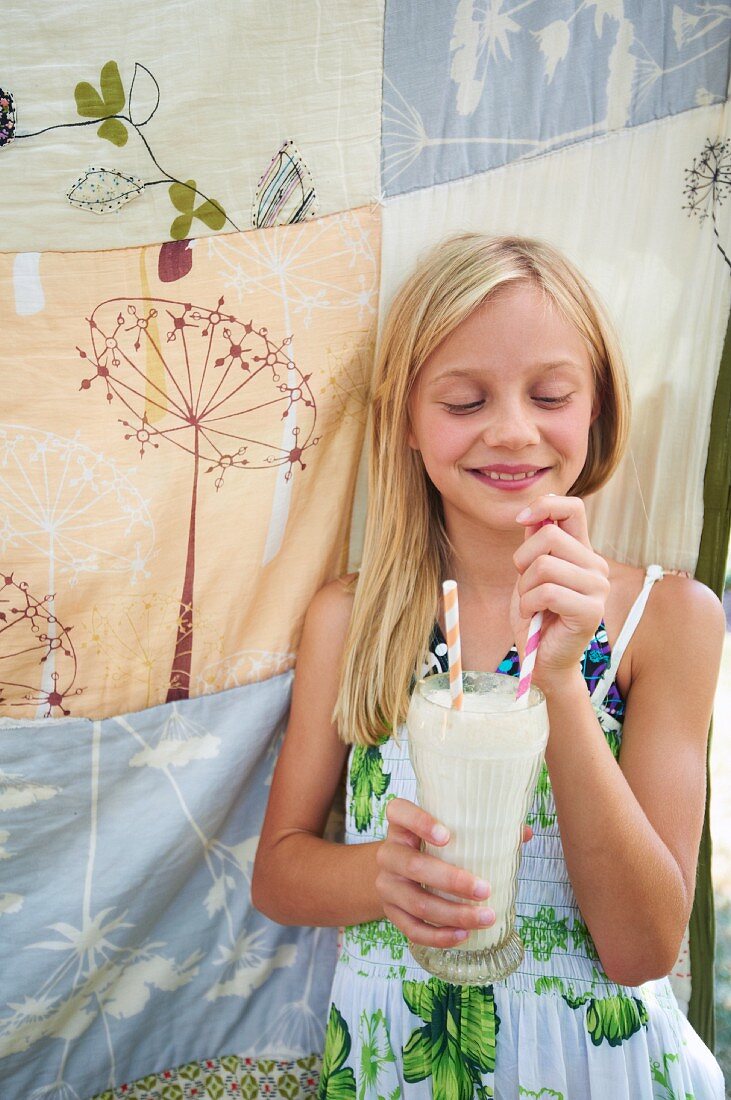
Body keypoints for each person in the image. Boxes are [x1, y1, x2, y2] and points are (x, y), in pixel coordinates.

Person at [252, 234, 725, 1098]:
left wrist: (558, 682)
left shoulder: (667, 621)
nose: (512, 430)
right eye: (464, 401)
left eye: (549, 395)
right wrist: (377, 876)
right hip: (401, 1067)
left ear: (596, 409)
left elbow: (641, 948)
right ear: (404, 416)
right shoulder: (355, 620)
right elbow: (278, 873)